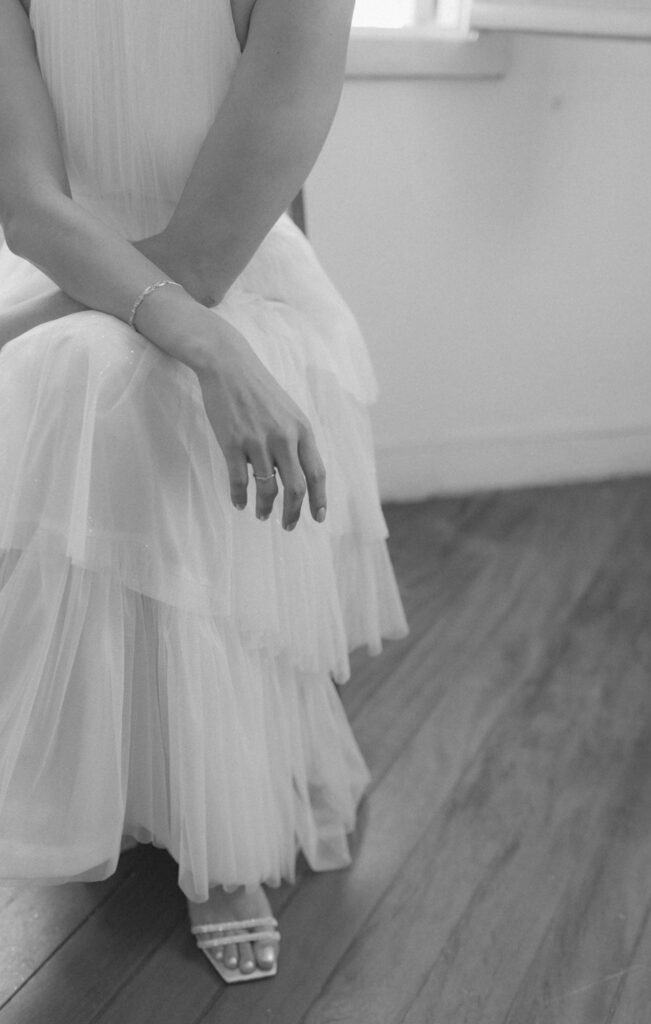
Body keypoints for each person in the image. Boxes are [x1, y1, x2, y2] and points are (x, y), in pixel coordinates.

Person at [0, 0, 407, 985]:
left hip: (240, 286)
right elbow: (30, 209)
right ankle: (105, 774)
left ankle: (218, 836)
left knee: (85, 371)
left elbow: (202, 258)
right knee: (78, 369)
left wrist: (29, 337)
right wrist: (189, 343)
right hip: (77, 269)